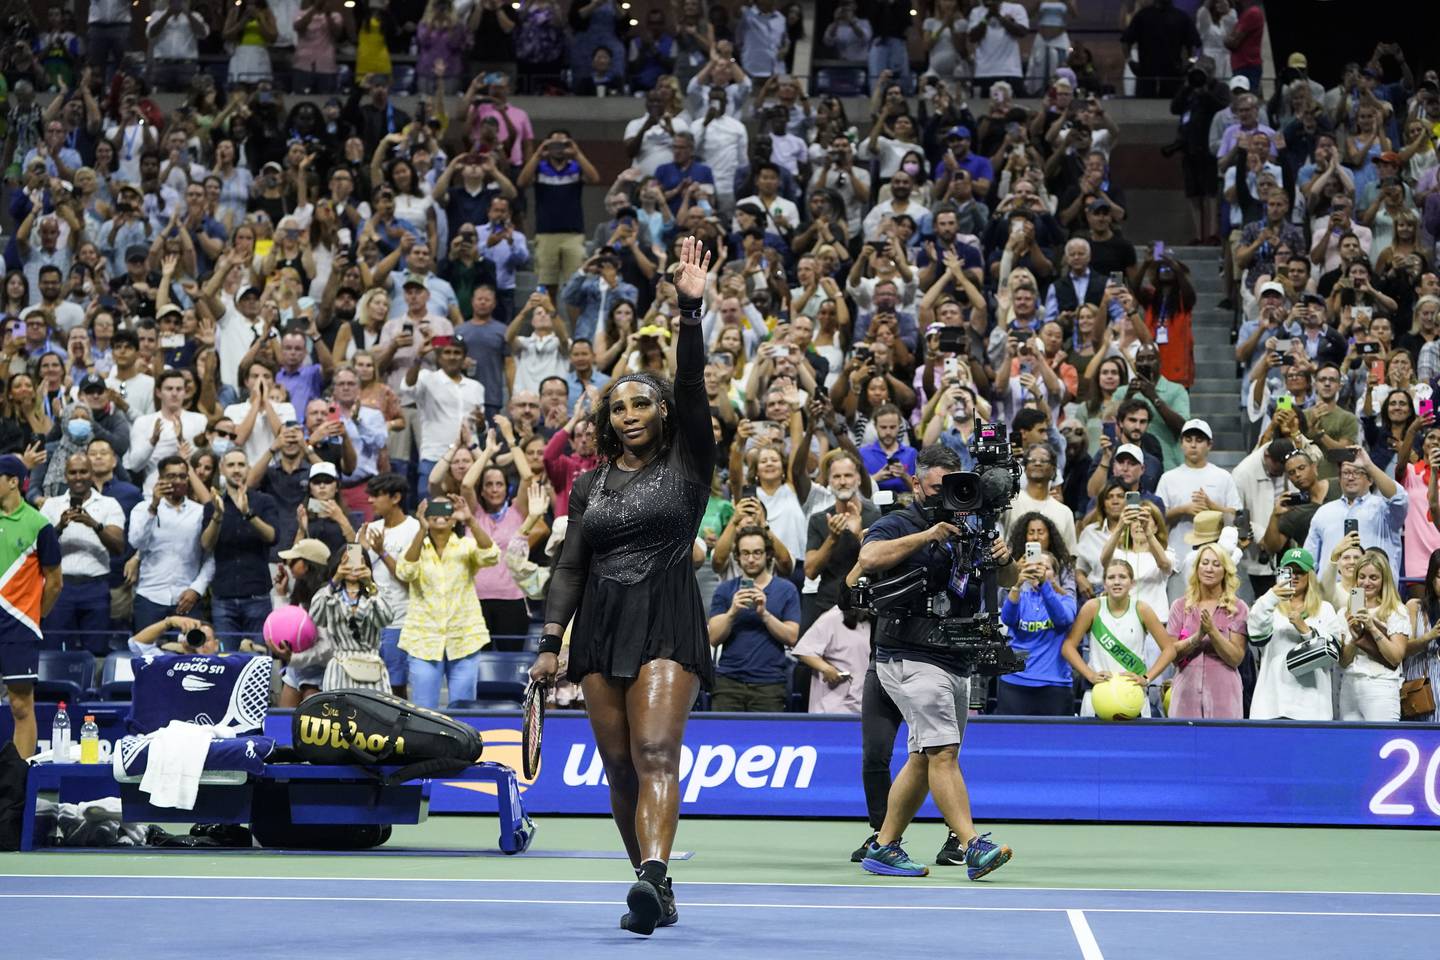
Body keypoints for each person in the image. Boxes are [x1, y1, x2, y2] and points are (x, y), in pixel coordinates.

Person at [530, 236, 714, 935]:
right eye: (618, 408)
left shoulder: (691, 463)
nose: (630, 413)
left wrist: (688, 312)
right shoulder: (590, 485)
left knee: (657, 753)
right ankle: (653, 887)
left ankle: (654, 873)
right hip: (599, 624)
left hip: (667, 616)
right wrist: (551, 641)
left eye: (642, 403)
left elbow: (693, 386)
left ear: (663, 414)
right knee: (619, 770)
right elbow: (570, 565)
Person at [854, 443, 1013, 880]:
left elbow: (1010, 580)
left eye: (953, 487)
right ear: (915, 484)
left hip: (955, 656)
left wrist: (1005, 558)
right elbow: (867, 560)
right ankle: (972, 844)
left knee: (925, 757)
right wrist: (928, 535)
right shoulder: (898, 523)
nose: (945, 496)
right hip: (908, 653)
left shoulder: (975, 527)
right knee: (943, 750)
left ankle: (884, 846)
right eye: (935, 487)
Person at [393, 496, 499, 709]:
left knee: (463, 711)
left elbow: (491, 555)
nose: (440, 514)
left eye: (446, 510)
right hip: (423, 639)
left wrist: (470, 520)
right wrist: (421, 530)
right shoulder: (415, 547)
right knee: (424, 712)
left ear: (453, 519)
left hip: (464, 637)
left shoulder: (466, 545)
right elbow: (405, 572)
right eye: (434, 508)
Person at [0, 454, 62, 758]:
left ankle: (19, 780)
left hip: (18, 626)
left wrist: (34, 616)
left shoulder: (39, 524)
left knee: (21, 705)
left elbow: (54, 581)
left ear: (13, 482)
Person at [1062, 558, 1177, 716]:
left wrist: (1147, 678)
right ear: (1104, 583)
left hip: (1133, 695)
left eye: (1122, 577)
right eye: (1111, 577)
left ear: (1132, 583)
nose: (1117, 582)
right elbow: (1068, 647)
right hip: (1097, 694)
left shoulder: (1142, 609)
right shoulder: (1092, 608)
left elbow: (1169, 649)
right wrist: (1090, 675)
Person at [38, 453, 125, 654]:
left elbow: (119, 547)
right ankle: (57, 687)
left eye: (83, 471)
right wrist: (59, 527)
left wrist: (95, 525)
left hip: (95, 587)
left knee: (96, 650)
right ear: (65, 476)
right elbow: (38, 548)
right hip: (59, 586)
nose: (78, 477)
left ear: (92, 474)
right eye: (73, 472)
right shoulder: (51, 505)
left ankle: (93, 686)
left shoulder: (109, 504)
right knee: (54, 649)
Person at [707, 525, 802, 709]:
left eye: (757, 553)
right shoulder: (725, 590)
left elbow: (791, 637)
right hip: (728, 682)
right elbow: (713, 638)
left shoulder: (786, 590)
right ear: (737, 557)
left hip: (770, 684)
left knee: (768, 739)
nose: (751, 559)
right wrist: (732, 612)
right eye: (745, 553)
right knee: (722, 738)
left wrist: (765, 614)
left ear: (768, 554)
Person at [1248, 547, 1344, 720]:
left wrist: (1306, 631)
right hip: (1272, 704)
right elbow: (1255, 634)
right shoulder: (1269, 606)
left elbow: (1335, 654)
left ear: (1310, 575)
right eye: (1289, 571)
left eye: (1300, 571)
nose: (1295, 576)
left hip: (1313, 707)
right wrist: (1271, 597)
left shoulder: (1325, 609)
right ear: (1280, 572)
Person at [128, 455, 214, 630]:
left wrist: (197, 589)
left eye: (182, 476)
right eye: (171, 476)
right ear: (160, 479)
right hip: (150, 596)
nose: (177, 481)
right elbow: (137, 542)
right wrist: (153, 507)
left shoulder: (200, 512)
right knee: (146, 654)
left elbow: (210, 556)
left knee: (188, 655)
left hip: (187, 596)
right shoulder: (142, 508)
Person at [1166, 542, 1248, 718]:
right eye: (1205, 563)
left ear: (1225, 571)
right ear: (1196, 568)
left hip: (1224, 692)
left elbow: (1235, 658)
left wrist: (1213, 632)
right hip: (1185, 691)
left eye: (1216, 564)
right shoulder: (1180, 606)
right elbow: (1171, 654)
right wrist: (1198, 636)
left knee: (1224, 744)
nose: (1209, 569)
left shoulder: (1237, 608)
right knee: (1184, 743)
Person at [997, 547, 1077, 715]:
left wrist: (1044, 586)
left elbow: (1062, 619)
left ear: (1054, 575)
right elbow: (1008, 619)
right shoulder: (1019, 597)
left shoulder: (1066, 600)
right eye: (1035, 565)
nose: (1039, 571)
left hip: (1054, 685)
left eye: (1045, 568)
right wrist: (1017, 584)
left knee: (1055, 740)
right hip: (1014, 683)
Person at [1339, 549, 1408, 722]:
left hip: (1381, 687)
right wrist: (1357, 637)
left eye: (1373, 578)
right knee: (1350, 747)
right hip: (1350, 686)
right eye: (1361, 577)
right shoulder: (1345, 613)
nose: (1366, 583)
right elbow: (1344, 661)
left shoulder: (1396, 610)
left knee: (1379, 743)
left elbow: (1396, 657)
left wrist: (1372, 627)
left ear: (1384, 580)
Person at [792, 597, 870, 714]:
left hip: (861, 705)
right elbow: (804, 651)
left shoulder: (870, 621)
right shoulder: (832, 617)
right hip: (831, 706)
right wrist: (826, 668)